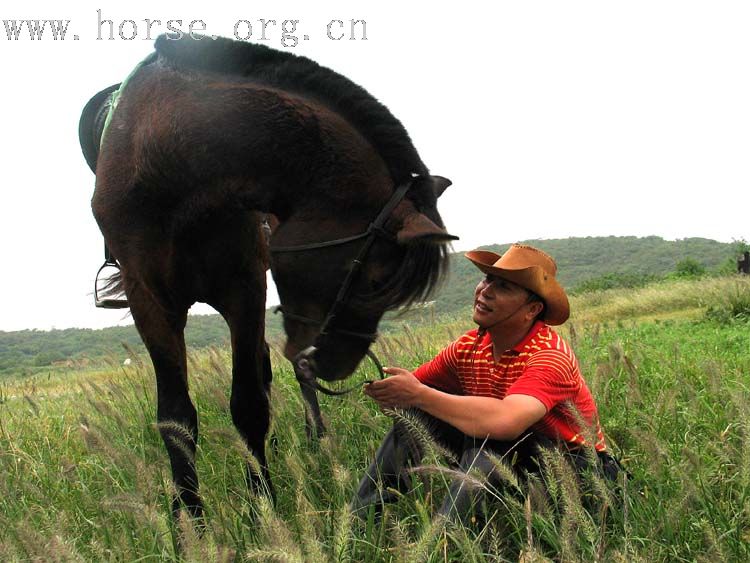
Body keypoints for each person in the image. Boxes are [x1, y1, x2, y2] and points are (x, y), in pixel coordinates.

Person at [352, 243, 622, 523]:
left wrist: (418, 394)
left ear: (532, 309)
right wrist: (393, 391)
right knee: (415, 419)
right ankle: (361, 520)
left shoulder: (549, 356)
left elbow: (506, 421)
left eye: (504, 287)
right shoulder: (468, 347)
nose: (485, 291)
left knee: (488, 449)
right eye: (487, 279)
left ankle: (446, 541)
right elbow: (410, 393)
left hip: (577, 470)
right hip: (521, 459)